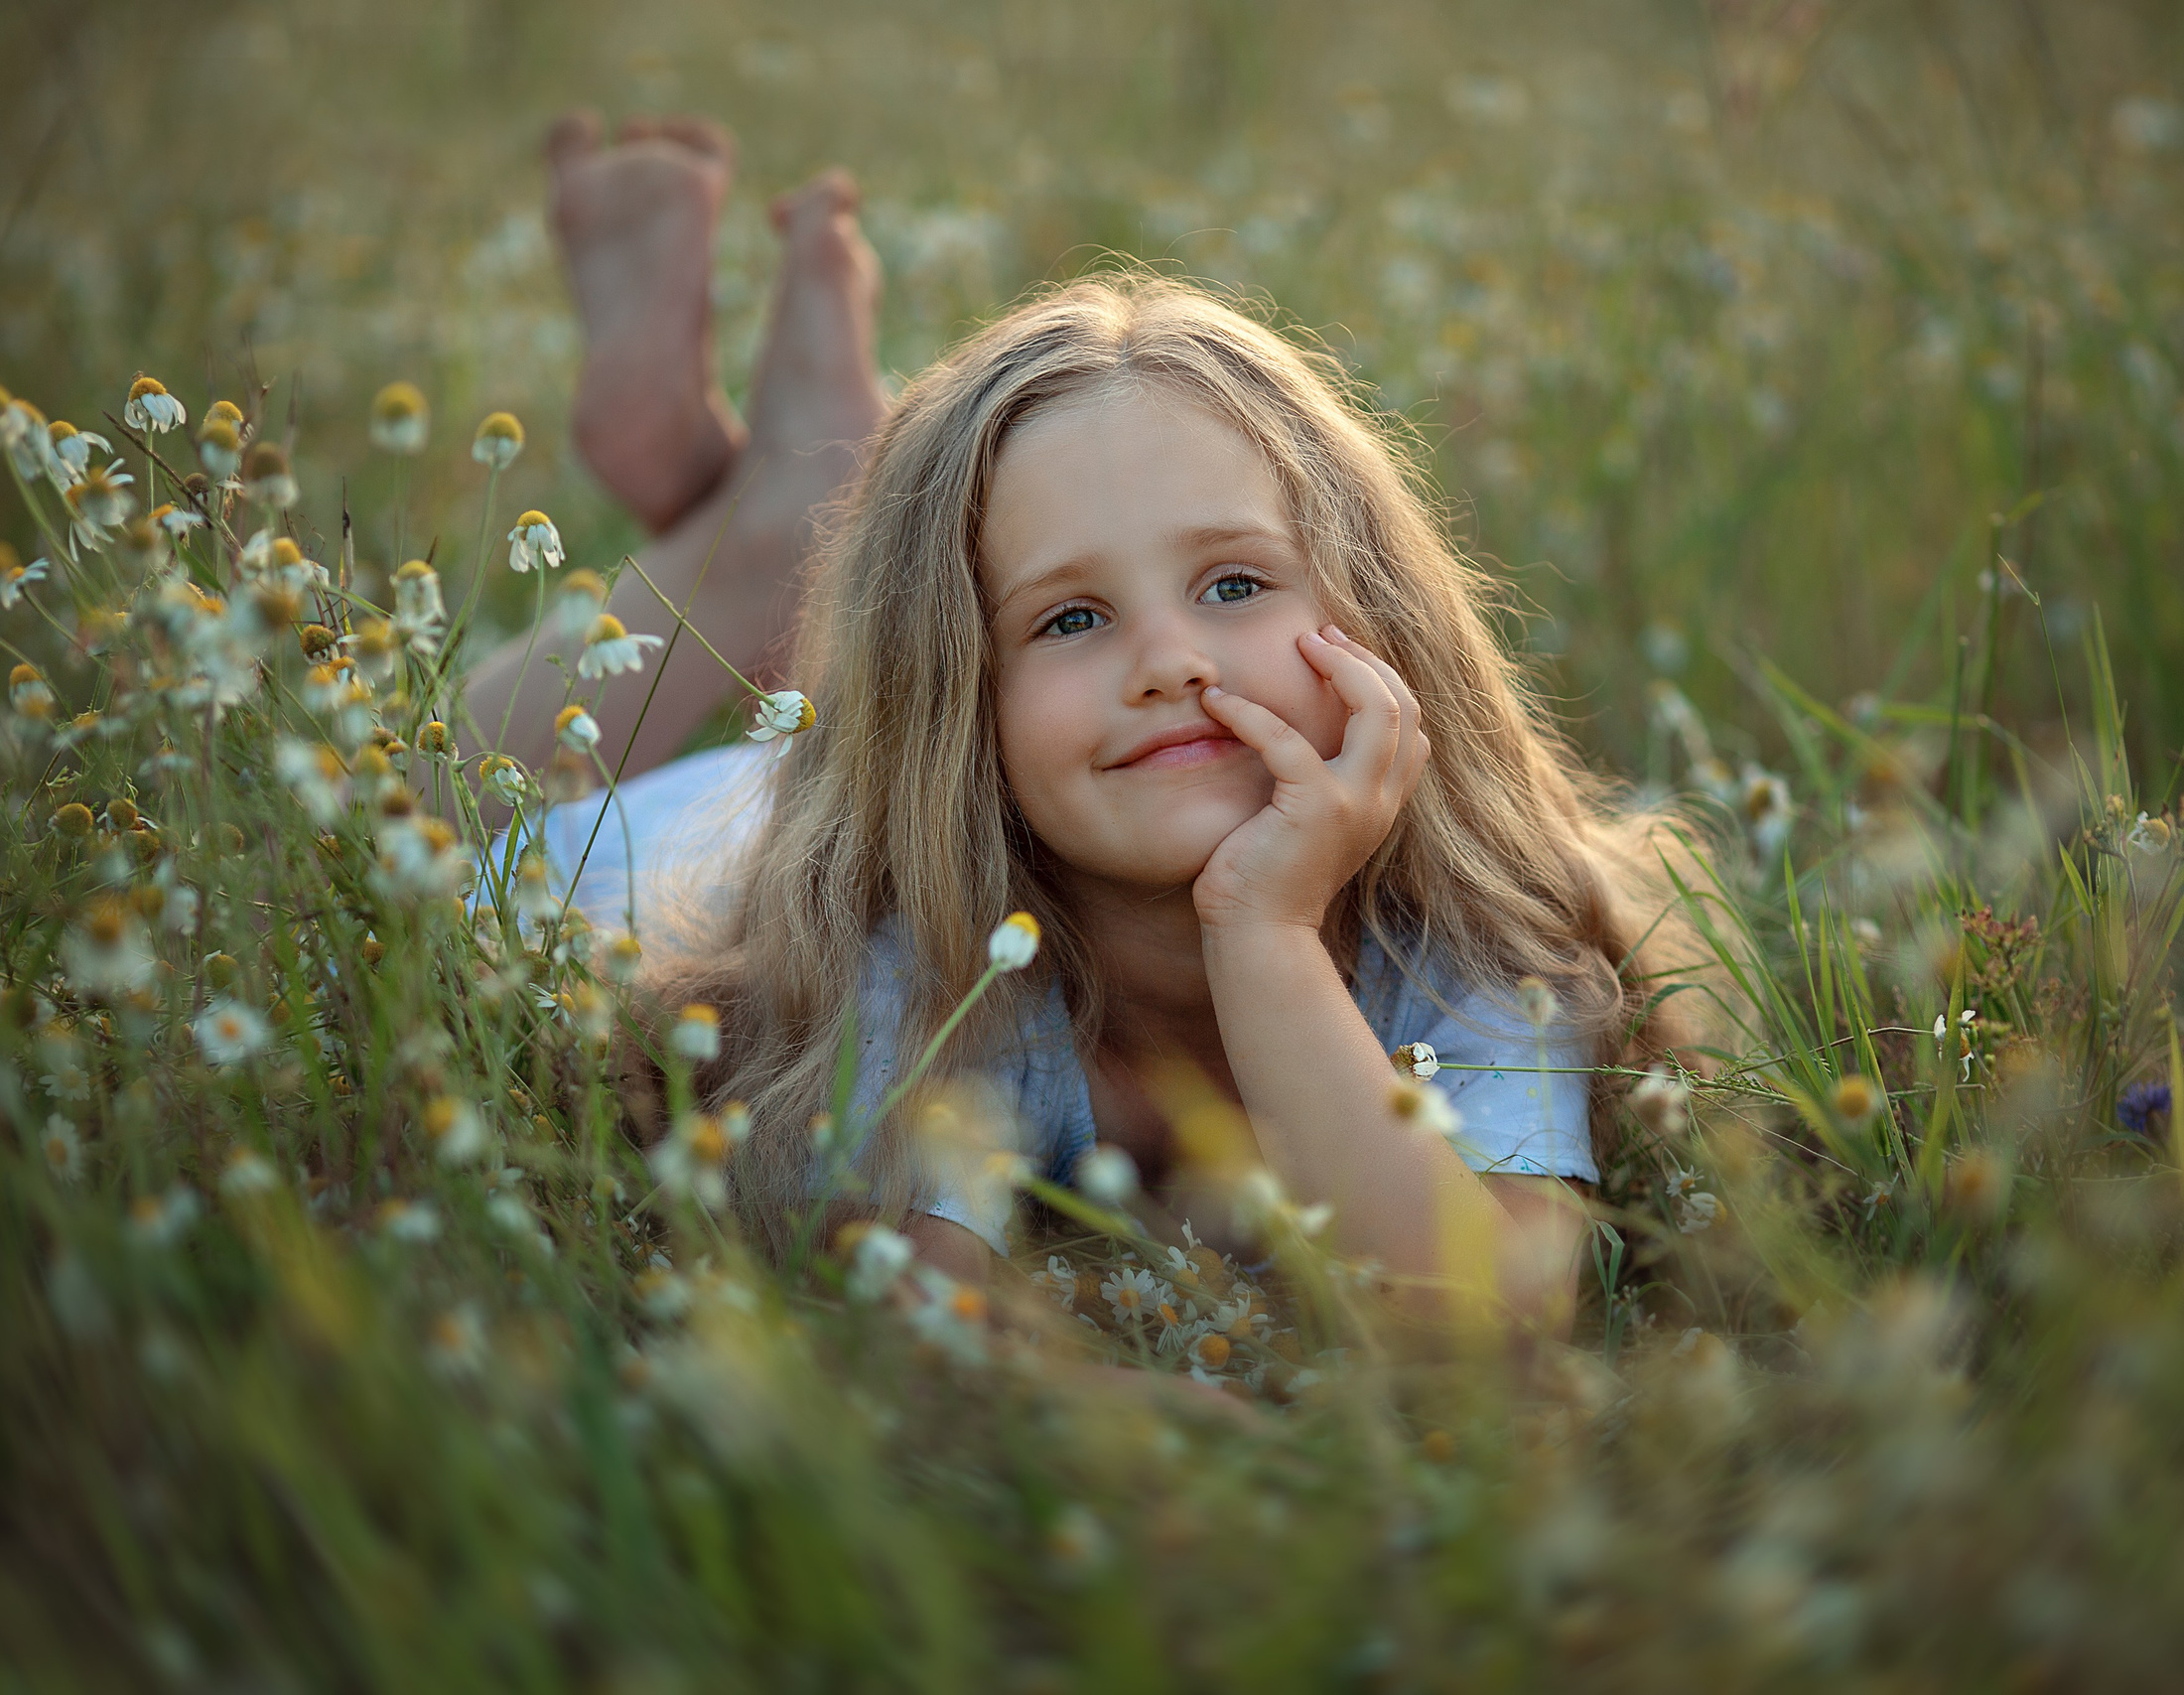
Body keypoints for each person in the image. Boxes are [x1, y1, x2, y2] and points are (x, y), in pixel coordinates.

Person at [471, 117, 1722, 1337]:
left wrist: (1267, 932)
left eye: (1234, 584)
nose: (1170, 662)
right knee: (425, 809)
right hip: (659, 858)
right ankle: (765, 539)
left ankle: (784, 506)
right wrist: (1154, 1423)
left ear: (1380, 622)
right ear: (957, 704)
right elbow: (921, 1338)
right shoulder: (931, 958)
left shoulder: (1466, 939)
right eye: (1070, 618)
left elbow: (1485, 1326)